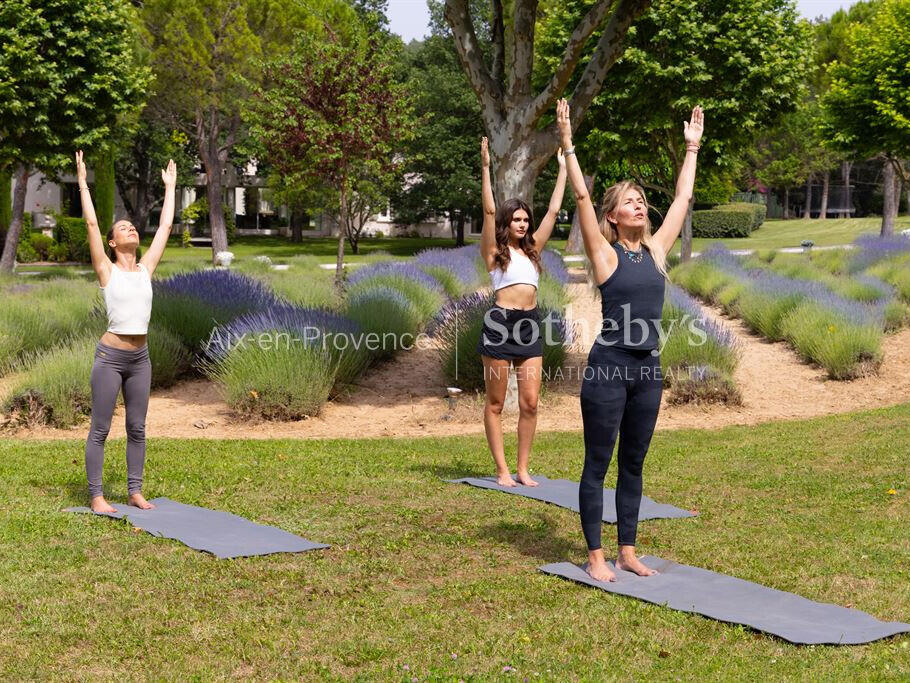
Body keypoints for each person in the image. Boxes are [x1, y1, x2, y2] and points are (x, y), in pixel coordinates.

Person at [555, 98, 704, 581]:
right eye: (629, 201)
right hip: (609, 368)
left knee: (634, 463)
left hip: (648, 371)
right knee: (598, 461)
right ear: (614, 217)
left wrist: (691, 148)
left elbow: (681, 200)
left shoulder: (657, 250)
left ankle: (627, 549)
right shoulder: (606, 254)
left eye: (642, 200)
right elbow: (581, 200)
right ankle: (595, 555)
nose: (639, 204)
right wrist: (569, 145)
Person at [76, 150, 177, 513]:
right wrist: (84, 185)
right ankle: (97, 496)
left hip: (140, 359)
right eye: (122, 227)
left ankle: (135, 491)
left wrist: (171, 188)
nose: (130, 227)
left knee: (137, 427)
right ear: (112, 243)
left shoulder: (146, 268)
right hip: (111, 358)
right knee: (101, 429)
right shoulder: (107, 270)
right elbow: (90, 225)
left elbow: (165, 227)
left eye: (132, 225)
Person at [477, 136, 567, 487]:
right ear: (506, 222)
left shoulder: (532, 251)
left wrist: (562, 169)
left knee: (530, 403)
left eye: (525, 219)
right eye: (516, 219)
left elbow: (554, 212)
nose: (523, 224)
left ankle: (523, 469)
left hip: (530, 324)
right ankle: (502, 470)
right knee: (496, 403)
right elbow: (487, 211)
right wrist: (485, 168)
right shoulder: (494, 253)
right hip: (500, 325)